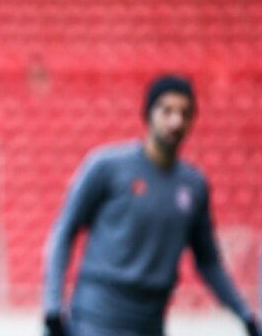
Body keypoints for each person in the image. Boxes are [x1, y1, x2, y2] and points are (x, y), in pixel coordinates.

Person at [42, 75, 259, 336]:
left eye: (184, 113)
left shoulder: (193, 185)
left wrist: (246, 316)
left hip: (150, 323)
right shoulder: (106, 167)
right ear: (148, 113)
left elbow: (208, 262)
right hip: (96, 321)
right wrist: (53, 309)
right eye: (167, 111)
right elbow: (64, 231)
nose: (176, 121)